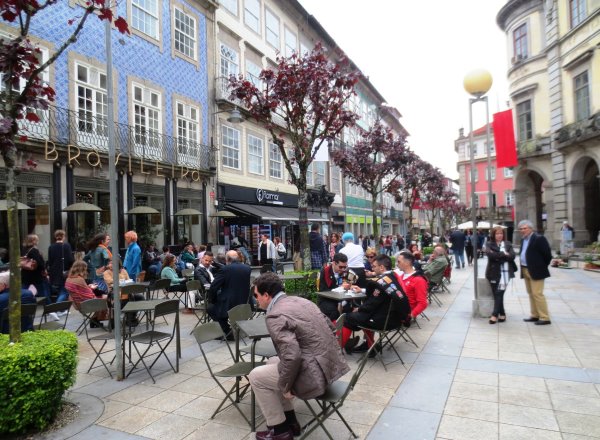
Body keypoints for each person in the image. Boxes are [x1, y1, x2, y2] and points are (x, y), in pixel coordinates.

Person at [249, 272, 349, 440]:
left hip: (314, 377)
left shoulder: (275, 315)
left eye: (256, 295)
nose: (256, 300)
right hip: (330, 368)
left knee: (256, 376)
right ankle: (290, 422)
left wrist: (286, 387)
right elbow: (332, 329)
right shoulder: (303, 301)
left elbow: (292, 356)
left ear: (266, 295)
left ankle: (279, 431)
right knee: (272, 361)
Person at [341, 254, 411, 355]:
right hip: (396, 319)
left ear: (381, 267)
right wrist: (362, 290)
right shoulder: (393, 277)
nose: (372, 269)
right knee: (362, 317)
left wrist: (359, 309)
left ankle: (337, 351)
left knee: (348, 317)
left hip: (383, 322)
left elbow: (371, 304)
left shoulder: (380, 282)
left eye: (374, 266)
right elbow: (381, 296)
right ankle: (370, 346)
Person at [208, 250, 251, 336]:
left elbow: (214, 286)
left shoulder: (225, 269)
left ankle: (227, 332)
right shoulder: (247, 268)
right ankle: (231, 329)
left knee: (211, 308)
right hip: (243, 301)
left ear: (227, 259)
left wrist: (212, 299)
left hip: (228, 303)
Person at [518, 219, 553, 325]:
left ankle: (545, 317)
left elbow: (547, 255)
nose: (523, 231)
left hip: (536, 270)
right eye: (521, 229)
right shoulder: (523, 240)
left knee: (537, 293)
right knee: (531, 293)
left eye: (525, 228)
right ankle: (535, 315)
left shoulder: (539, 238)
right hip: (525, 268)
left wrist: (541, 266)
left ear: (531, 228)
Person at [485, 226, 516, 324]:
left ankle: (494, 315)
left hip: (506, 273)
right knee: (497, 294)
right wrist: (503, 254)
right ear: (493, 235)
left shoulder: (508, 243)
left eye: (501, 233)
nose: (499, 235)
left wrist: (498, 255)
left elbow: (512, 256)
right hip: (493, 273)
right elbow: (490, 255)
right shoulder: (489, 244)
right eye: (497, 234)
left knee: (499, 293)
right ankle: (502, 313)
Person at [65, 260, 107, 326]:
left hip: (76, 304)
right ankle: (103, 319)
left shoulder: (68, 279)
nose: (86, 271)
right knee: (108, 298)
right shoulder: (80, 279)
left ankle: (94, 320)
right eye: (85, 269)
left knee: (104, 297)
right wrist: (92, 288)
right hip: (84, 305)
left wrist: (88, 287)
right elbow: (90, 295)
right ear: (82, 269)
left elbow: (80, 292)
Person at [396, 250, 428, 319]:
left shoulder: (418, 280)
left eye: (399, 262)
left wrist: (411, 315)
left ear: (407, 263)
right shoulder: (401, 277)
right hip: (396, 309)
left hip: (402, 313)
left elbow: (423, 303)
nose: (397, 264)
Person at [318, 253, 348, 321]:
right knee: (333, 312)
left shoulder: (346, 272)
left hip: (343, 299)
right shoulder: (325, 272)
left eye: (345, 267)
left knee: (352, 312)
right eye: (341, 267)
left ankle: (344, 329)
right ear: (334, 263)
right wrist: (340, 288)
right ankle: (333, 330)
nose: (343, 269)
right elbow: (323, 291)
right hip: (327, 300)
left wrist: (350, 286)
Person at [21, 234, 50, 304]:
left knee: (22, 291)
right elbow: (39, 263)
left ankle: (22, 305)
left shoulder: (24, 250)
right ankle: (50, 308)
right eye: (37, 240)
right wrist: (44, 269)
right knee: (44, 292)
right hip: (36, 276)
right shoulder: (34, 250)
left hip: (26, 275)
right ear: (33, 241)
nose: (38, 241)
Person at [47, 229, 74, 303]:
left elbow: (50, 261)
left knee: (59, 289)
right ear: (63, 236)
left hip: (54, 272)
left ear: (55, 237)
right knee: (65, 290)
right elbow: (70, 259)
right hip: (64, 271)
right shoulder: (67, 246)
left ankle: (61, 308)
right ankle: (58, 307)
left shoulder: (51, 247)